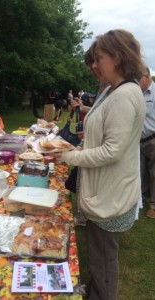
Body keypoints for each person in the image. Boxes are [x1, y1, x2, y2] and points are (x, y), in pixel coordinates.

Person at [50, 29, 146, 300]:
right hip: (104, 190)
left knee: (104, 257)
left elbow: (112, 151)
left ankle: (103, 294)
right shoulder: (112, 91)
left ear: (118, 57)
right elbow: (103, 134)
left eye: (99, 58)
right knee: (97, 253)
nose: (93, 65)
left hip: (110, 194)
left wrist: (72, 156)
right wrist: (80, 145)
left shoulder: (125, 95)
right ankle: (95, 290)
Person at [139, 66, 155, 218]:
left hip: (153, 139)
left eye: (139, 79)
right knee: (141, 171)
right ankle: (141, 199)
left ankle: (153, 205)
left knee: (154, 173)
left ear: (147, 76)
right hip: (139, 141)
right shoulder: (138, 93)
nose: (137, 82)